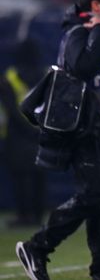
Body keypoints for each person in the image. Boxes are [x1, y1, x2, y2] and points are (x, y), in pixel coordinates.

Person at [15, 0, 100, 280]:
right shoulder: (78, 33)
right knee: (93, 195)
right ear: (97, 5)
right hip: (86, 129)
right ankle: (37, 246)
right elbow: (84, 68)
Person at [0, 39, 46, 228]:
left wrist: (27, 128)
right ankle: (38, 215)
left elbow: (10, 107)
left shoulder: (10, 76)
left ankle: (24, 216)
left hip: (17, 134)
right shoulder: (45, 75)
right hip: (41, 131)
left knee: (21, 176)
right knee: (39, 176)